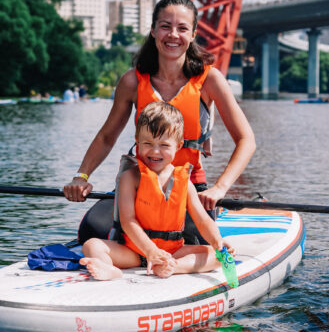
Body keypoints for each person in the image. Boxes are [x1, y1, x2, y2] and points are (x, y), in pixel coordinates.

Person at [64, 0, 255, 244]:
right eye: (165, 26)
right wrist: (82, 176)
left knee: (184, 239)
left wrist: (220, 188)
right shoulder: (132, 81)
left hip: (188, 187)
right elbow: (107, 136)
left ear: (193, 33)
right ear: (153, 30)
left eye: (182, 28)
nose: (173, 35)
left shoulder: (210, 80)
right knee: (90, 229)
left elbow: (246, 140)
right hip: (139, 182)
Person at [80, 102, 234, 280]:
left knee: (215, 255)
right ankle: (109, 269)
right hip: (133, 252)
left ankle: (173, 267)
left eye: (164, 145)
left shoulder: (185, 183)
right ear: (137, 141)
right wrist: (150, 251)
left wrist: (217, 241)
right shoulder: (130, 177)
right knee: (92, 245)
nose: (155, 151)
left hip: (172, 252)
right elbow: (128, 221)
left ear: (178, 145)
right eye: (148, 143)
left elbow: (202, 220)